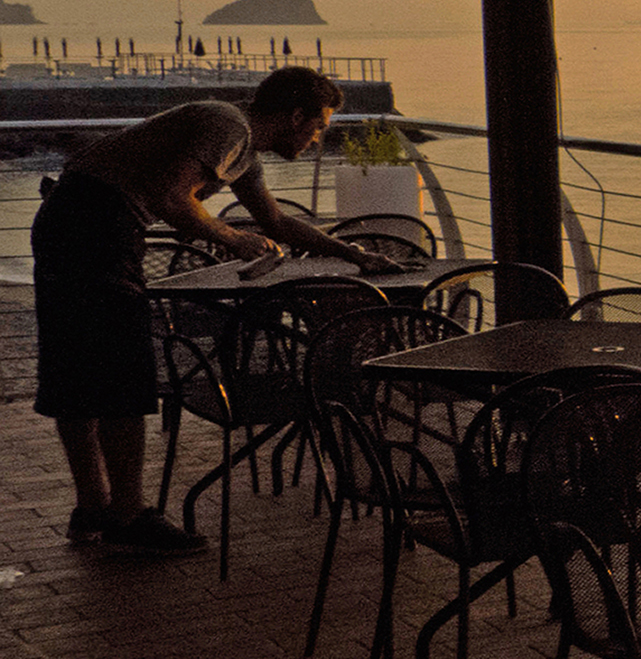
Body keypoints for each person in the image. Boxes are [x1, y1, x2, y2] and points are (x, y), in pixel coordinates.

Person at [32, 66, 387, 553]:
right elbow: (173, 199)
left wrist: (353, 253)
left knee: (76, 369)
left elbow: (277, 220)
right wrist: (233, 237)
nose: (318, 138)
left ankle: (94, 506)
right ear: (296, 115)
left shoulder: (241, 147)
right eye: (320, 126)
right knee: (121, 373)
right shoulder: (229, 128)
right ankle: (129, 518)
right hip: (97, 227)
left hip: (69, 220)